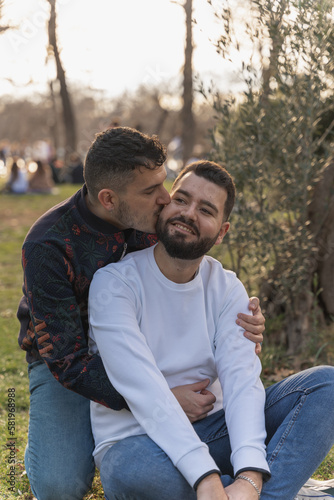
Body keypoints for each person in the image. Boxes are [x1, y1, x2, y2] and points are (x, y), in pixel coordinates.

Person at [17, 128, 265, 500]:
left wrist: (237, 325)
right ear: (109, 198)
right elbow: (67, 361)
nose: (166, 199)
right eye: (152, 191)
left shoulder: (157, 219)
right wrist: (163, 396)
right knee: (59, 485)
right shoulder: (48, 245)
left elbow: (193, 272)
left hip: (149, 352)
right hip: (71, 363)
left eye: (163, 184)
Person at [88, 160, 334, 500]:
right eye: (181, 200)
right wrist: (205, 477)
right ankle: (265, 490)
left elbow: (242, 382)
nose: (188, 214)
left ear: (221, 231)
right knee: (133, 474)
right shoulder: (114, 285)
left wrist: (249, 474)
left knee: (326, 386)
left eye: (205, 209)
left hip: (214, 432)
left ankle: (246, 489)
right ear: (164, 205)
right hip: (138, 442)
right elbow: (144, 387)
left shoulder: (228, 288)